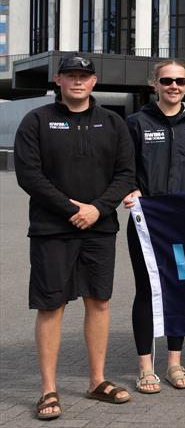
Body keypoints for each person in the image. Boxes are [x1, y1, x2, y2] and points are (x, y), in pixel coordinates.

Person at [14, 53, 136, 420]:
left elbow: (126, 174)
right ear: (59, 81)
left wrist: (97, 209)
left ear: (94, 81)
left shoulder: (113, 123)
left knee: (98, 301)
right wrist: (72, 210)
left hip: (99, 228)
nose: (78, 81)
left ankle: (97, 380)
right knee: (52, 305)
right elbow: (29, 175)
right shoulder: (37, 121)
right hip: (52, 230)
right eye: (70, 76)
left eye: (84, 76)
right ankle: (48, 389)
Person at [122, 59, 185, 393]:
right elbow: (124, 168)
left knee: (181, 289)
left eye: (180, 81)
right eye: (167, 81)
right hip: (147, 223)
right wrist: (128, 189)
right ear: (155, 84)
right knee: (147, 290)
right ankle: (145, 367)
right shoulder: (136, 122)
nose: (174, 86)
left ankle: (174, 362)